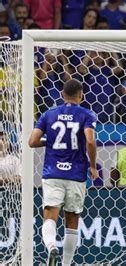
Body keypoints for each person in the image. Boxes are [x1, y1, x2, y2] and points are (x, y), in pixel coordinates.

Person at [28, 79, 98, 266]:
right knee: (72, 220)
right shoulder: (86, 114)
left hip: (52, 172)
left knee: (50, 216)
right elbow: (90, 141)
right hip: (76, 173)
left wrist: (49, 141)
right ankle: (66, 264)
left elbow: (32, 141)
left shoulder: (49, 114)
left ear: (62, 94)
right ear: (81, 94)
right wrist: (92, 166)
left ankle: (51, 246)